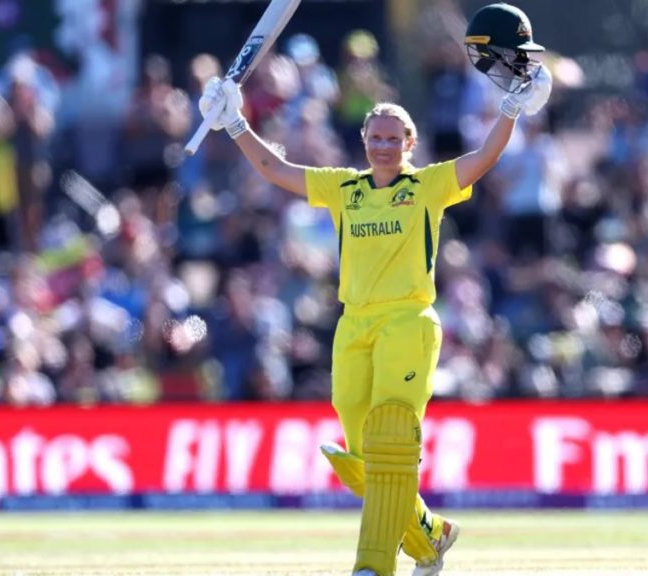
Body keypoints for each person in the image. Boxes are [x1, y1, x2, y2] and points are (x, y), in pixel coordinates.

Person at [196, 9, 551, 576]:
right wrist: (234, 122)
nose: (383, 146)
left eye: (393, 139)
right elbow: (275, 169)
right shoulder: (345, 188)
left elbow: (483, 159)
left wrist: (510, 109)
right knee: (365, 455)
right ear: (363, 140)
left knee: (389, 438)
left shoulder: (427, 185)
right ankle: (429, 535)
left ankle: (373, 565)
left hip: (408, 321)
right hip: (354, 324)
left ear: (410, 143)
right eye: (376, 137)